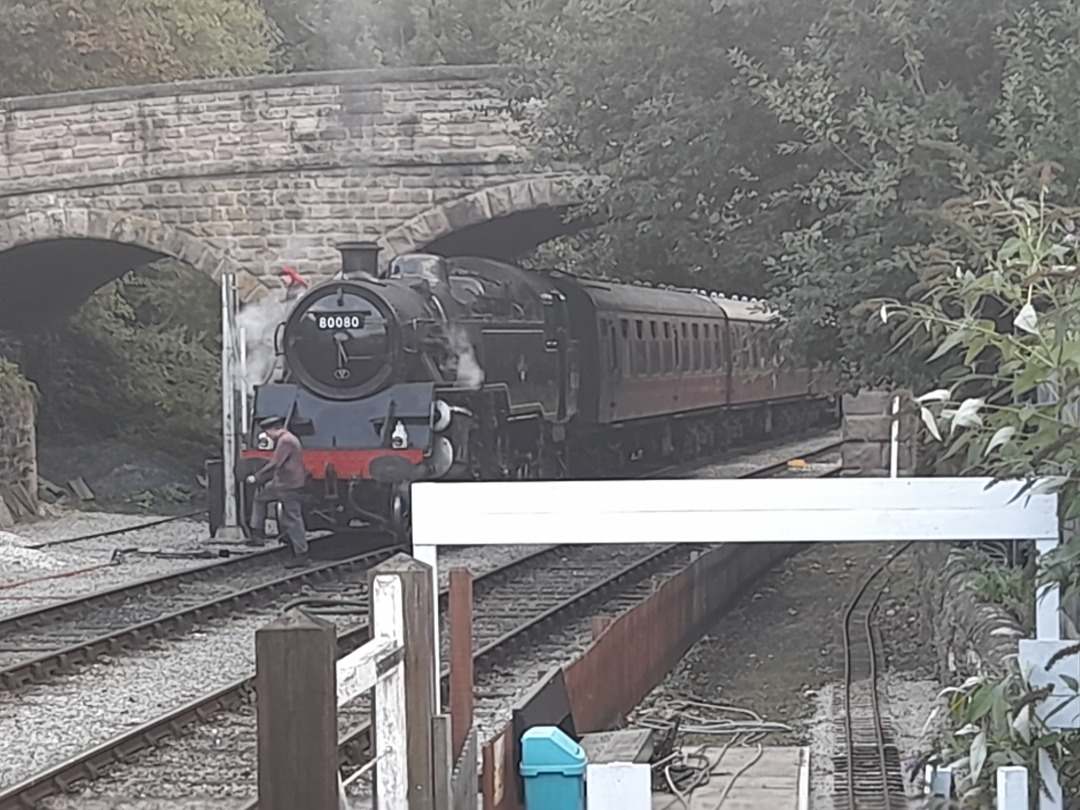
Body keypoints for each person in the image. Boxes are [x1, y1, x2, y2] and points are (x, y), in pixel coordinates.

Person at [245, 416, 310, 567]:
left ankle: (301, 553)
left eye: (268, 433)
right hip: (284, 483)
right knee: (261, 499)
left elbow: (275, 463)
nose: (268, 436)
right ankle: (257, 534)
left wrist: (257, 476)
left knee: (292, 518)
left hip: (288, 484)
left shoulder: (285, 441)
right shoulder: (289, 438)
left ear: (273, 429)